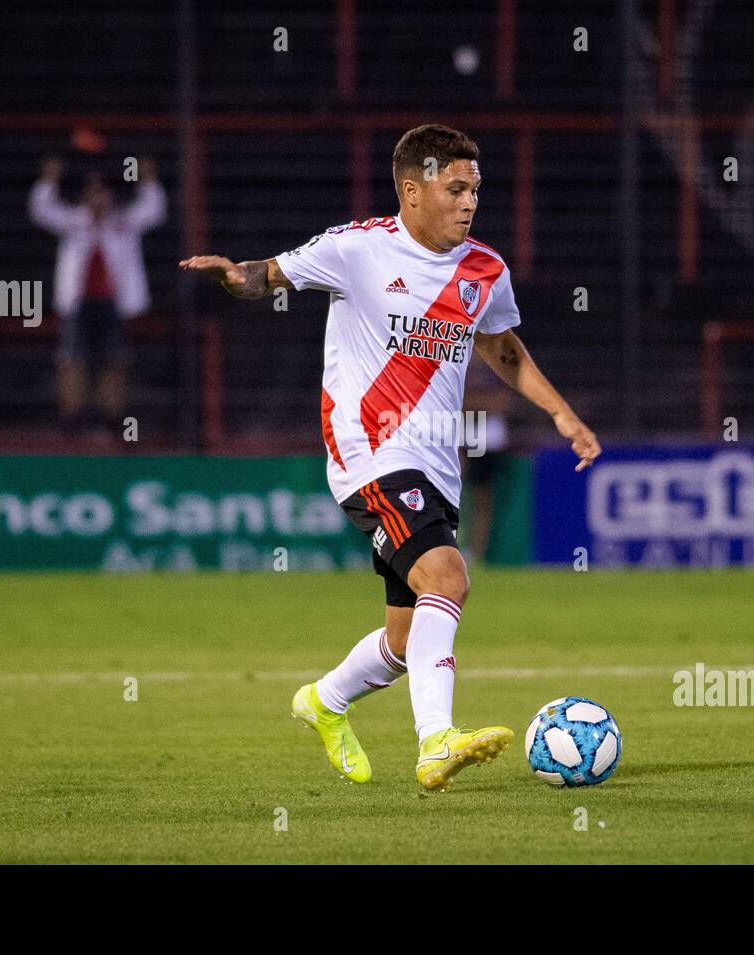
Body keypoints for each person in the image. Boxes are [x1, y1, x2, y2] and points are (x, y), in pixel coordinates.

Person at [181, 124, 601, 791]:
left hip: (437, 464)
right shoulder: (357, 249)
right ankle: (435, 741)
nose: (470, 202)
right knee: (450, 578)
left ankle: (323, 700)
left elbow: (502, 348)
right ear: (413, 189)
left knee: (407, 642)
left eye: (476, 189)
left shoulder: (484, 270)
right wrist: (237, 276)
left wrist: (560, 411)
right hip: (368, 451)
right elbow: (269, 274)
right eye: (455, 188)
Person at [29, 156, 165, 435]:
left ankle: (111, 421)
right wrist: (49, 179)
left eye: (102, 192)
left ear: (111, 196)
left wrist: (148, 178)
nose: (97, 198)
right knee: (71, 360)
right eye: (91, 192)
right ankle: (72, 420)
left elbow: (153, 210)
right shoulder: (73, 221)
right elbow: (41, 210)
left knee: (114, 362)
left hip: (113, 304)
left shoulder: (124, 222)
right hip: (78, 305)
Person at [460, 353, 514, 563]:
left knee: (482, 499)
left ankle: (475, 554)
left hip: (487, 439)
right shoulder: (455, 358)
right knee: (451, 495)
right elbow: (451, 401)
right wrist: (480, 405)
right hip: (460, 435)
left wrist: (471, 405)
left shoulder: (496, 364)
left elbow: (503, 401)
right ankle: (452, 548)